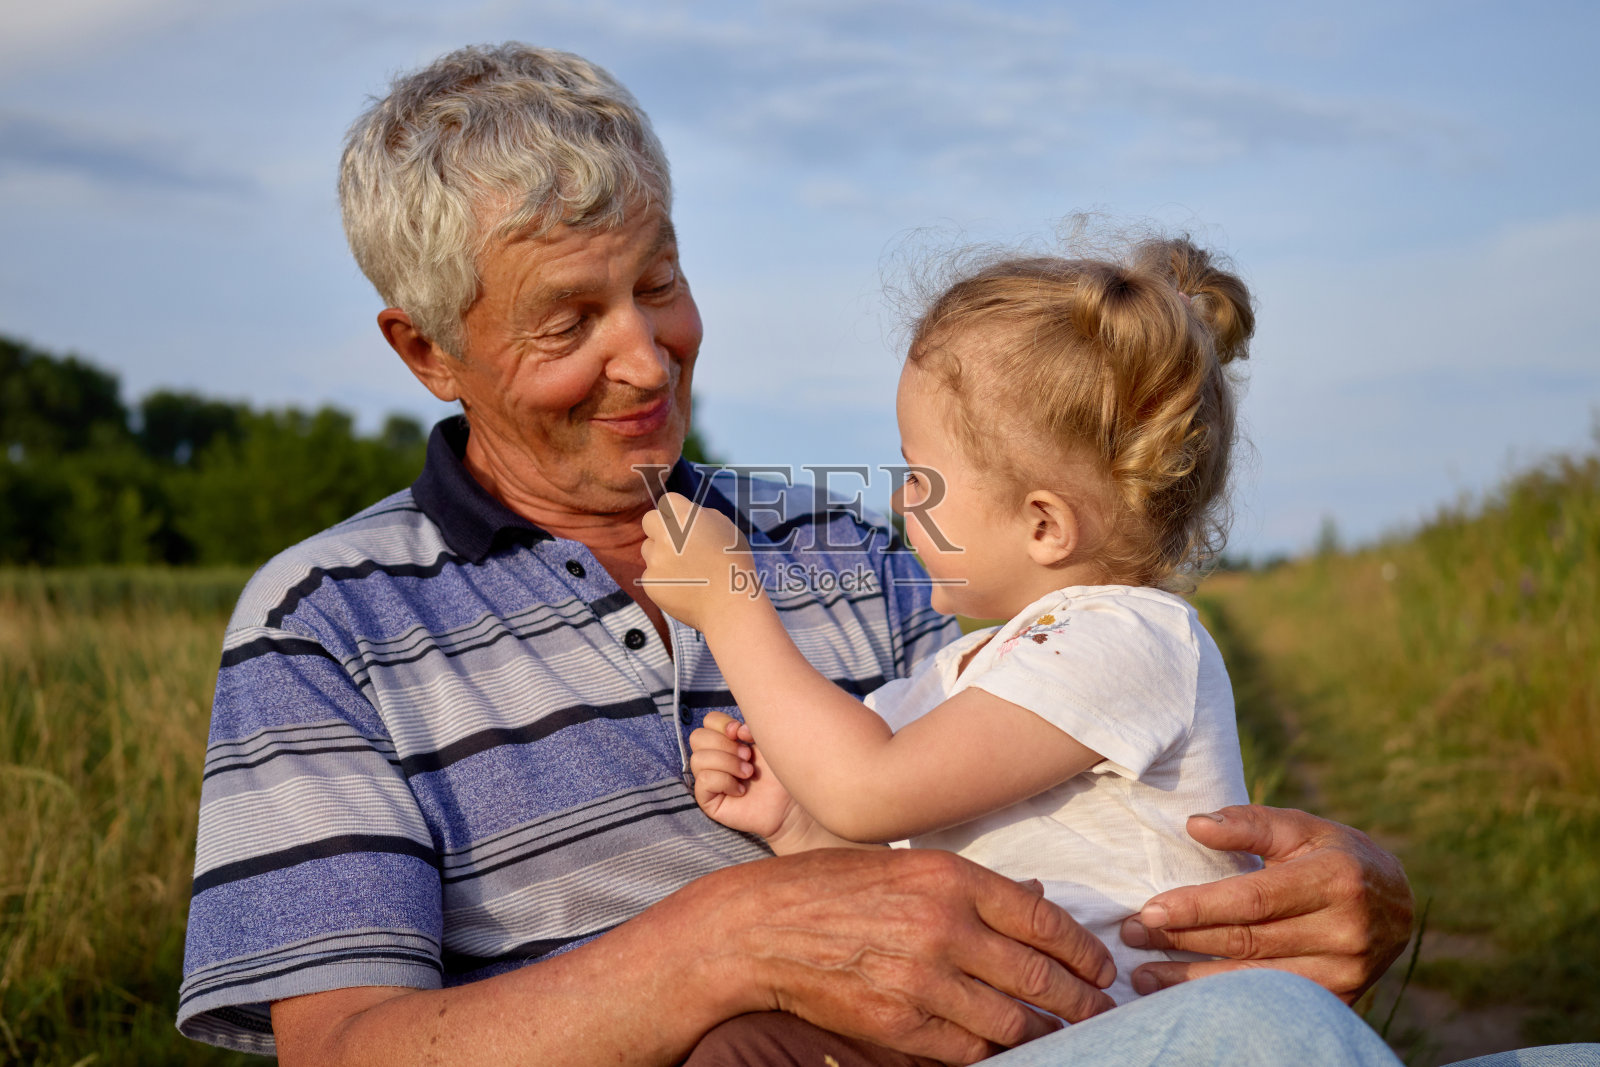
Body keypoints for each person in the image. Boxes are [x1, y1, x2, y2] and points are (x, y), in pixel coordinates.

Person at [176, 41, 1440, 1067]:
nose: (646, 353)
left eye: (658, 283)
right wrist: (709, 946)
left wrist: (1358, 888)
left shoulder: (858, 548)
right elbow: (342, 1049)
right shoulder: (321, 626)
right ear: (426, 351)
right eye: (570, 318)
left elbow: (1029, 788)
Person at [641, 236, 1263, 1013]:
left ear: (1043, 526)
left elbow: (868, 788)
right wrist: (798, 824)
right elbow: (906, 851)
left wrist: (731, 603)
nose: (900, 502)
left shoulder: (1134, 640)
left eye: (919, 476)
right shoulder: (972, 670)